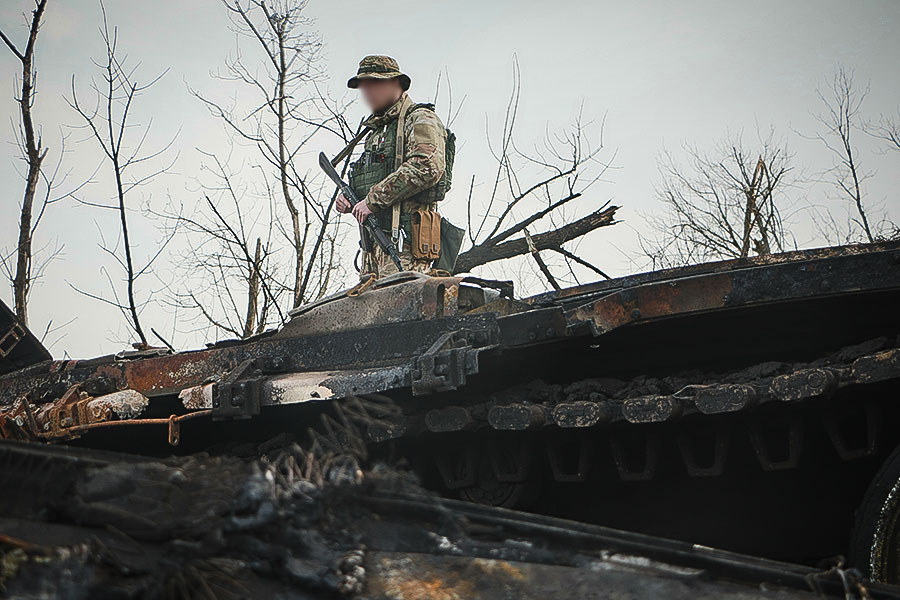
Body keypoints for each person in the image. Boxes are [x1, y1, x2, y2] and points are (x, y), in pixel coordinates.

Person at [337, 55, 449, 278]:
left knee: (403, 308)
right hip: (373, 247)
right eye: (364, 87)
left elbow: (427, 166)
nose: (368, 93)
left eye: (374, 84)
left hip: (405, 244)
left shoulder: (419, 118)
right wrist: (351, 198)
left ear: (395, 83)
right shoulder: (377, 132)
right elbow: (375, 175)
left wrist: (372, 200)